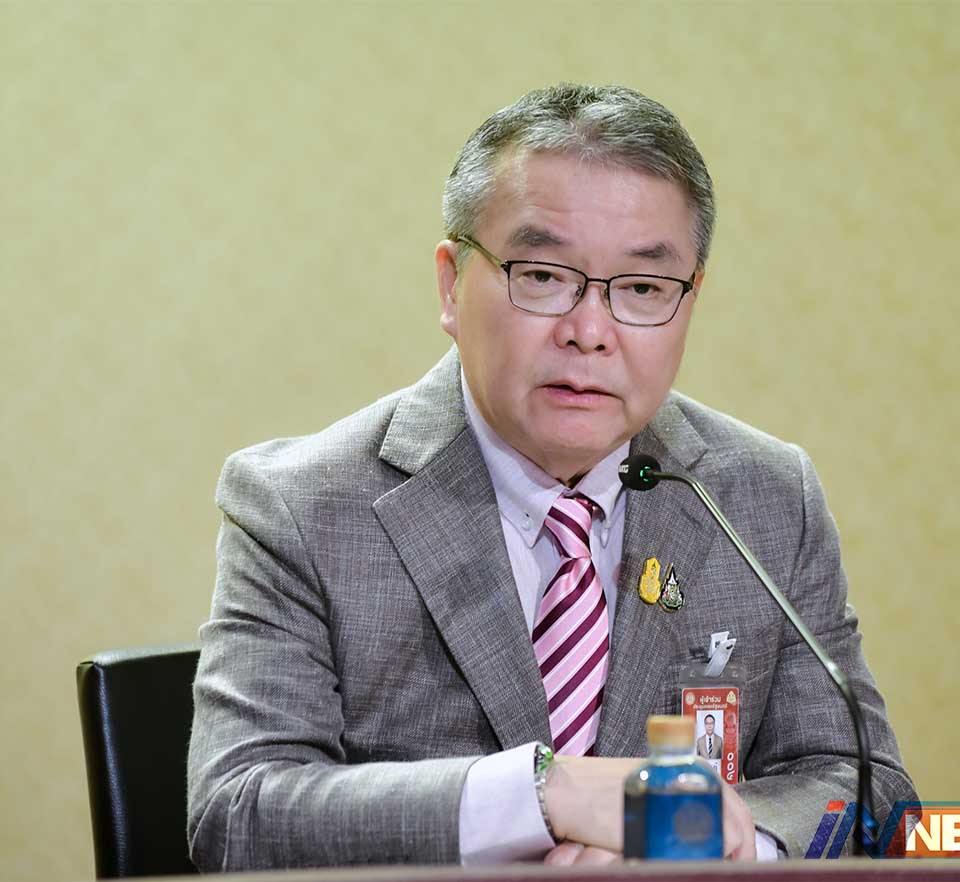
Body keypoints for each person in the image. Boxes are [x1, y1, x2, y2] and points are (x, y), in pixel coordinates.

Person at [187, 83, 917, 870]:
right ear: (451, 285)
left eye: (643, 288)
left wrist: (712, 844)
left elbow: (865, 788)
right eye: (541, 274)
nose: (590, 331)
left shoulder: (764, 496)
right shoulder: (306, 506)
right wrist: (544, 793)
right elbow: (239, 812)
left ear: (690, 300)